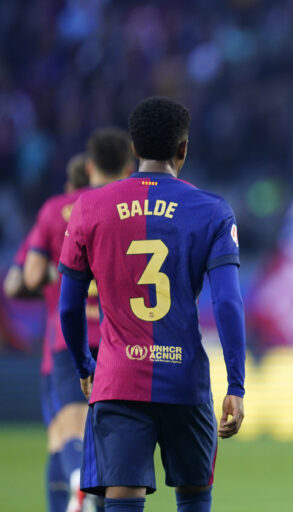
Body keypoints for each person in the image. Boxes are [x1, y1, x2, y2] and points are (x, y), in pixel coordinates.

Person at [58, 96, 246, 512]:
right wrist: (236, 385)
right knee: (194, 499)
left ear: (135, 149)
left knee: (123, 502)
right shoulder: (213, 211)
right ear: (183, 149)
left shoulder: (89, 208)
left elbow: (69, 307)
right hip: (185, 383)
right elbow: (228, 303)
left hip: (117, 380)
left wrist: (84, 366)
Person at [22, 144, 132, 512]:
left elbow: (27, 277)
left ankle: (77, 483)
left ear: (88, 167)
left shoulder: (58, 210)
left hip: (68, 337)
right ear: (128, 166)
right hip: (120, 337)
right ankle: (91, 491)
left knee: (64, 431)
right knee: (110, 432)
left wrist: (57, 275)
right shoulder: (130, 209)